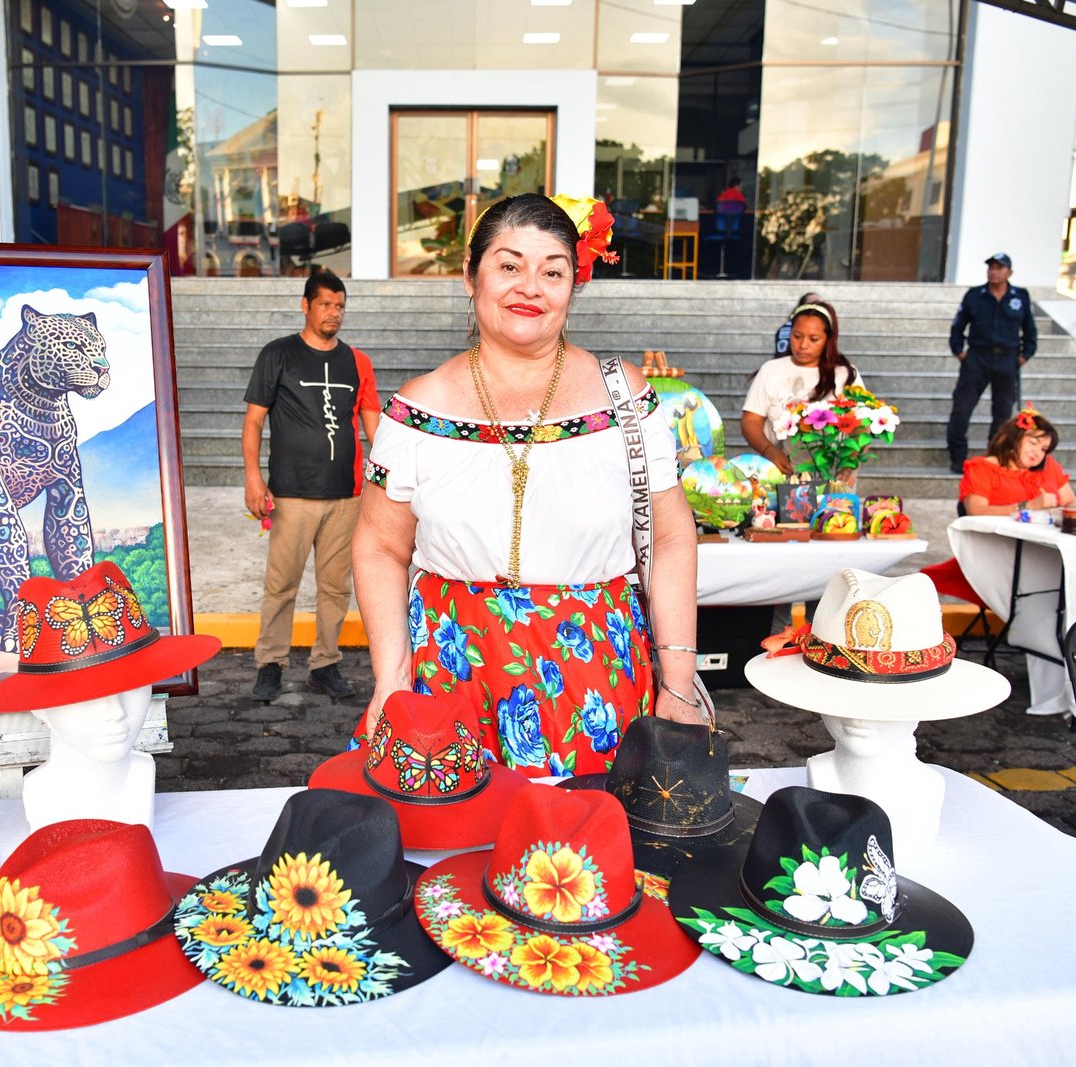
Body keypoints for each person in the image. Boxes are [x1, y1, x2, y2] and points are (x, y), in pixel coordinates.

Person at [352, 193, 702, 781]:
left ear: (574, 285)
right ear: (471, 276)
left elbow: (669, 538)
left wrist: (680, 685)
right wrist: (391, 680)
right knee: (457, 834)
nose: (530, 288)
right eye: (509, 266)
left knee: (588, 834)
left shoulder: (624, 398)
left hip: (595, 676)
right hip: (453, 673)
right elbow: (380, 547)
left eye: (552, 272)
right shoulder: (417, 409)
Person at [243, 271, 380, 703]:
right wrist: (253, 477)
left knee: (336, 587)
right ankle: (270, 663)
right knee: (281, 584)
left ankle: (325, 664)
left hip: (345, 494)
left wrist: (388, 478)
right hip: (291, 494)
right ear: (305, 305)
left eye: (339, 306)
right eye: (325, 305)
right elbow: (254, 421)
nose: (333, 313)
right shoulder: (278, 354)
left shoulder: (357, 361)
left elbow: (373, 425)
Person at [740, 300, 862, 476]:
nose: (803, 345)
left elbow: (861, 425)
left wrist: (850, 462)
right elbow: (750, 421)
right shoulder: (771, 370)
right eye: (797, 336)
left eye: (814, 339)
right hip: (781, 472)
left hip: (833, 475)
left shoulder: (846, 374)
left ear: (828, 339)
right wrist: (769, 450)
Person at [947, 252, 1038, 474]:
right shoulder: (975, 295)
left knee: (1002, 415)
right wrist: (960, 352)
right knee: (961, 410)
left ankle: (994, 459)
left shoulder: (1020, 296)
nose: (994, 272)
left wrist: (1024, 355)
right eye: (991, 268)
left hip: (1007, 359)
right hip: (977, 358)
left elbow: (1029, 330)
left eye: (999, 268)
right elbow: (958, 327)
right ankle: (958, 459)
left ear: (1009, 272)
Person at [958, 406, 1076, 517]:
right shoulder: (982, 468)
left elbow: (1072, 502)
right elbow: (975, 511)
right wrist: (1027, 506)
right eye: (1033, 443)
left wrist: (1066, 514)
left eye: (1044, 449)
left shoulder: (1049, 466)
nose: (1037, 453)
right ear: (1014, 439)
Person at [774, 291, 822, 357]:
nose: (818, 307)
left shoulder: (825, 327)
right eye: (813, 304)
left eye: (821, 304)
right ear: (802, 307)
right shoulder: (788, 328)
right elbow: (782, 356)